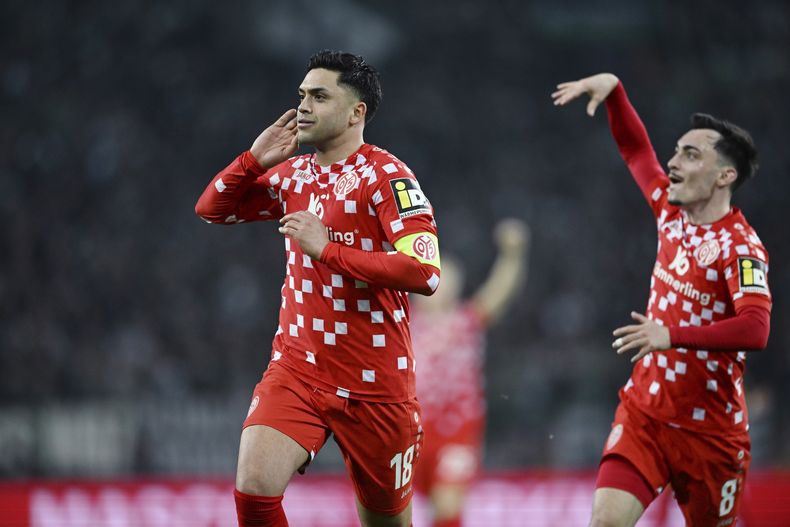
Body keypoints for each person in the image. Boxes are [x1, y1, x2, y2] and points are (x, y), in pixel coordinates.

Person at [195, 50, 442, 527]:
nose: (304, 105)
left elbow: (424, 273)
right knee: (254, 489)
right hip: (298, 368)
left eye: (320, 96)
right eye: (302, 95)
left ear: (356, 112)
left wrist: (327, 250)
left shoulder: (387, 177)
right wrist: (251, 160)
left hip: (376, 385)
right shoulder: (294, 174)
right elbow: (212, 209)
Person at [552, 73, 771, 527]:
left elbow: (756, 328)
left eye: (690, 155)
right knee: (605, 522)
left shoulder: (741, 248)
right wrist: (615, 93)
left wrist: (670, 335)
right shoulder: (670, 213)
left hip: (712, 434)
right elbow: (636, 151)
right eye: (676, 150)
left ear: (724, 175)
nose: (672, 162)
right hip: (645, 415)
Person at [410, 219, 529, 527]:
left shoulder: (465, 321)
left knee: (447, 504)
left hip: (458, 428)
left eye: (447, 278)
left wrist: (512, 255)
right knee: (396, 510)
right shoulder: (399, 323)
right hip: (408, 429)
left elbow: (499, 293)